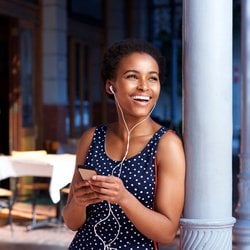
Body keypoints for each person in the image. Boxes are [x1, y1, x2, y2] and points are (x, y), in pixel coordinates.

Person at [62, 38, 186, 250]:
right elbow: (71, 222)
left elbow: (167, 232)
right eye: (132, 76)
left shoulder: (167, 144)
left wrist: (124, 198)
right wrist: (79, 202)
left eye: (152, 78)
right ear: (111, 85)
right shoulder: (91, 138)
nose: (144, 87)